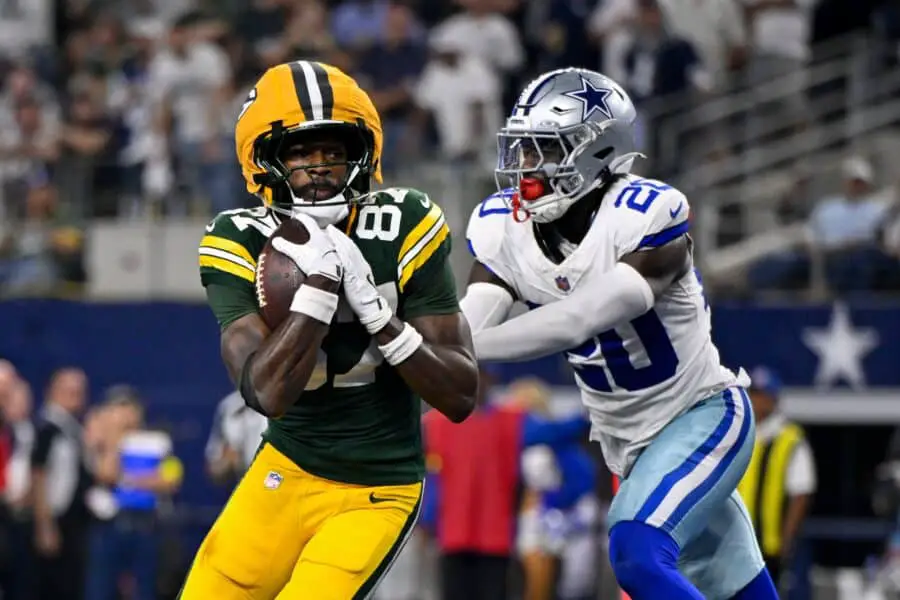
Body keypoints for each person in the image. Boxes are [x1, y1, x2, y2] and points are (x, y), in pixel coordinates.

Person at [459, 67, 777, 600]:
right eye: (522, 151)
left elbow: (576, 319)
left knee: (635, 551)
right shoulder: (503, 227)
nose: (525, 168)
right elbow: (470, 321)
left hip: (700, 416)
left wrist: (443, 345)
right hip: (633, 448)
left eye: (543, 150)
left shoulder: (648, 214)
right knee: (741, 592)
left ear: (596, 151)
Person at [181, 60, 478, 599]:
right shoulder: (238, 238)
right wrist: (318, 292)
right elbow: (266, 392)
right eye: (299, 152)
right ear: (264, 163)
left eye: (333, 152)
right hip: (287, 466)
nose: (319, 168)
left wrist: (381, 320)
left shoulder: (407, 222)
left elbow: (460, 394)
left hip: (377, 488)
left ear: (360, 155)